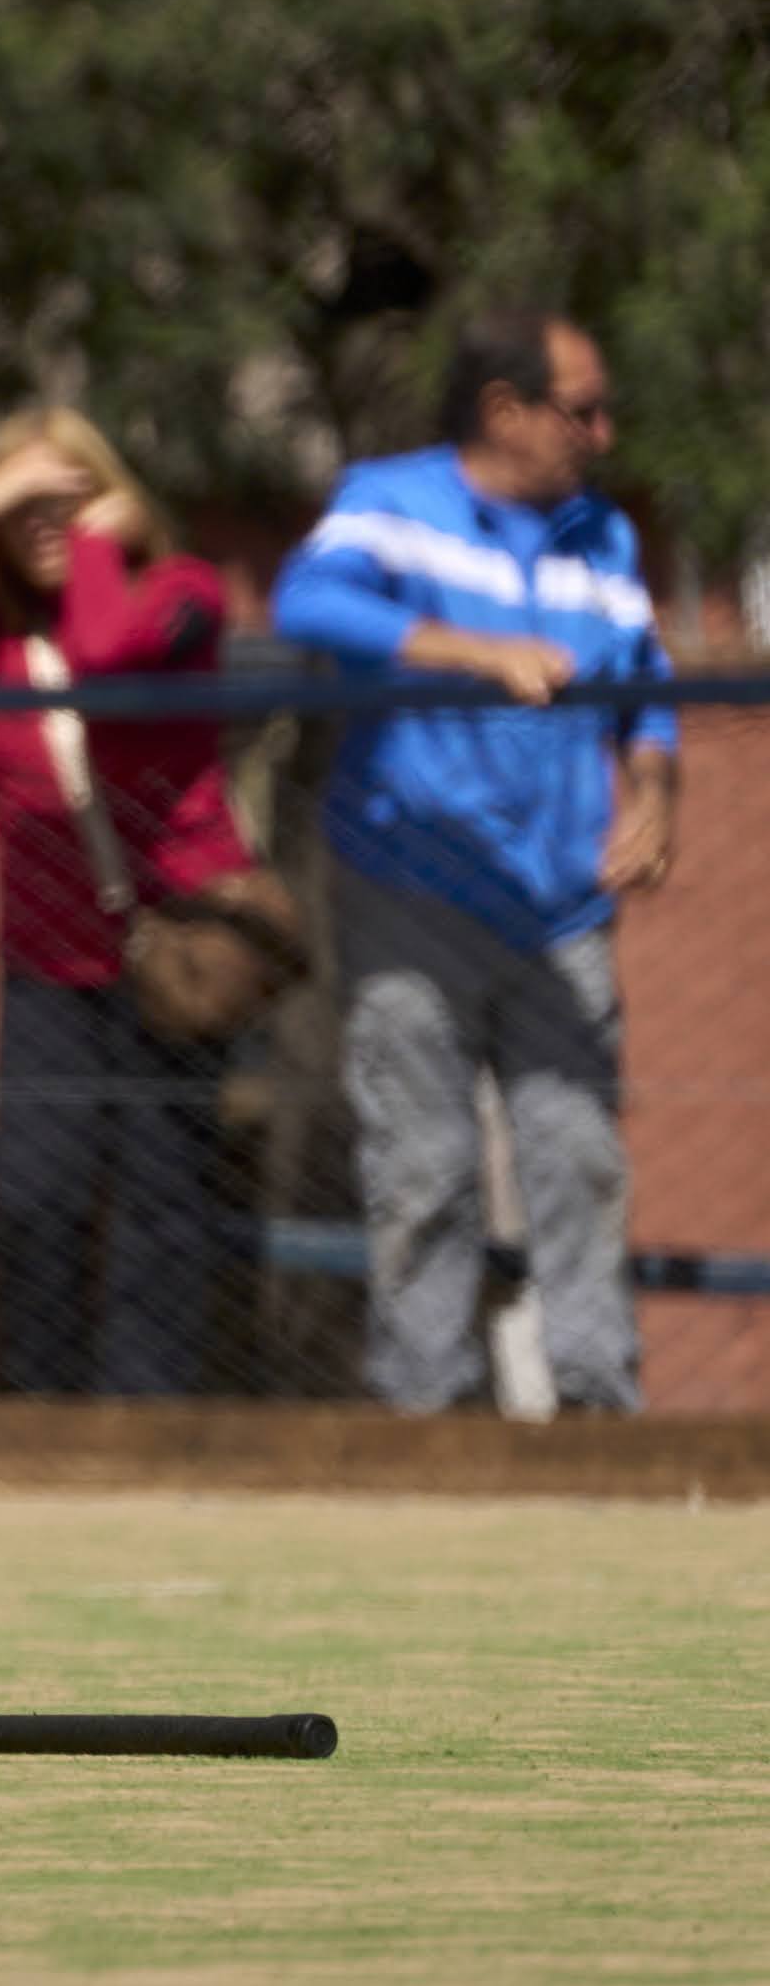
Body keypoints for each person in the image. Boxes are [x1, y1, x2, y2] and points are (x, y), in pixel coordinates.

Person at [276, 307, 678, 1417]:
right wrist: (470, 651)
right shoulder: (391, 503)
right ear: (507, 410)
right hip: (413, 890)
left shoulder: (606, 538)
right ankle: (428, 1421)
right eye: (582, 409)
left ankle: (603, 1415)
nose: (603, 431)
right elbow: (307, 599)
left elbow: (645, 682)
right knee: (426, 1169)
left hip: (562, 908)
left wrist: (654, 792)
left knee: (579, 1162)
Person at [0, 413, 264, 1396]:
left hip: (173, 953)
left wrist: (104, 542)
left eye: (69, 504)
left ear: (116, 497)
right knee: (34, 1199)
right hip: (46, 964)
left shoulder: (181, 595)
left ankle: (148, 1416)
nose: (49, 527)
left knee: (163, 1201)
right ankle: (44, 1412)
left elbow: (105, 656)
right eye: (27, 511)